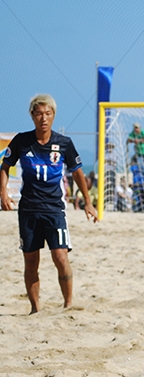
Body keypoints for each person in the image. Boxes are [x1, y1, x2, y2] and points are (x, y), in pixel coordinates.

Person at [0, 94, 98, 314]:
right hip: (28, 210)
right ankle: (35, 309)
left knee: (60, 256)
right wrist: (3, 193)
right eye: (39, 114)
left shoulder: (64, 143)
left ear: (53, 115)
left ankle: (68, 304)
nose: (43, 118)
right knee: (31, 260)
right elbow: (5, 166)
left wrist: (88, 202)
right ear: (32, 116)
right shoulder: (21, 142)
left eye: (48, 113)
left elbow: (78, 173)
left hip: (55, 210)